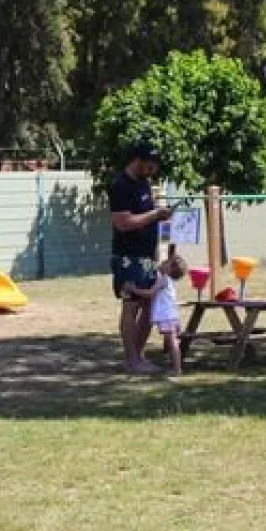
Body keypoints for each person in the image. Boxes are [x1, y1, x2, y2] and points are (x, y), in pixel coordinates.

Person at [109, 141, 172, 373]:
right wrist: (155, 214)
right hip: (128, 256)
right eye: (149, 164)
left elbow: (146, 217)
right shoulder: (121, 185)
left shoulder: (145, 184)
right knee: (131, 304)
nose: (153, 169)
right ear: (137, 160)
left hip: (146, 256)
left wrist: (157, 220)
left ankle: (139, 357)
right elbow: (122, 223)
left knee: (149, 304)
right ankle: (132, 360)